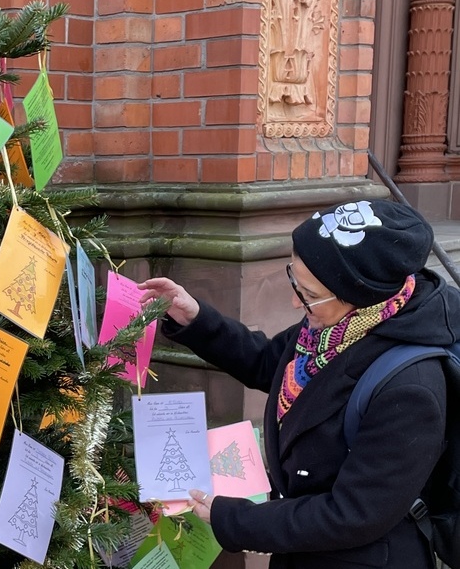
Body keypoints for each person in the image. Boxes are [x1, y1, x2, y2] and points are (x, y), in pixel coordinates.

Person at [138, 199, 458, 569]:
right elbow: (269, 363)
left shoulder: (411, 388)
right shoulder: (333, 329)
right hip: (304, 549)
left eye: (307, 295)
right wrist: (195, 318)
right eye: (294, 278)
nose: (294, 301)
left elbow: (353, 514)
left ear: (357, 296)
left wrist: (234, 519)